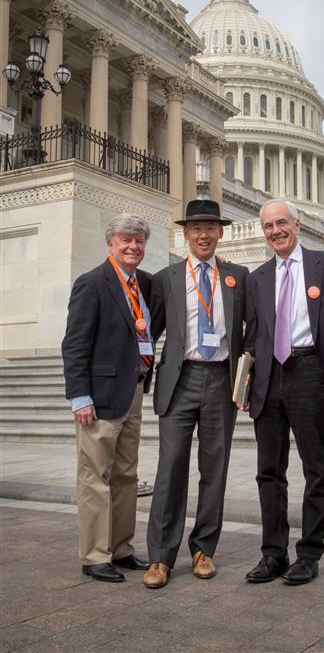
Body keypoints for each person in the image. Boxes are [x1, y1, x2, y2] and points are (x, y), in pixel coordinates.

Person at [144, 199, 248, 588]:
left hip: (221, 379)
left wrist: (246, 381)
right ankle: (160, 557)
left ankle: (204, 548)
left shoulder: (238, 276)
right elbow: (149, 332)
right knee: (170, 468)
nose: (203, 235)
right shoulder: (165, 278)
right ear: (185, 234)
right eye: (196, 228)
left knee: (214, 469)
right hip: (180, 379)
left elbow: (250, 333)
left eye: (210, 228)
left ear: (221, 232)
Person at [242, 199, 324, 585]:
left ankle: (310, 554)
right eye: (268, 226)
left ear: (297, 224)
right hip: (268, 379)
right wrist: (245, 383)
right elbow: (253, 335)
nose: (275, 231)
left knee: (315, 468)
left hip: (309, 373)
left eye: (281, 223)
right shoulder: (258, 277)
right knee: (269, 471)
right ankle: (273, 553)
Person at [62, 214, 154, 582]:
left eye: (139, 241)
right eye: (125, 240)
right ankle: (95, 555)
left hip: (131, 390)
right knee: (95, 477)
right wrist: (79, 396)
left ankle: (121, 548)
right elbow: (75, 344)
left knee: (126, 475)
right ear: (110, 244)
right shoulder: (91, 284)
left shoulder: (142, 283)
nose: (133, 246)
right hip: (98, 397)